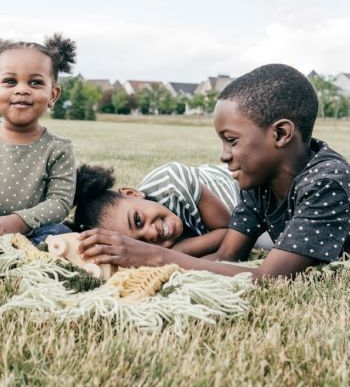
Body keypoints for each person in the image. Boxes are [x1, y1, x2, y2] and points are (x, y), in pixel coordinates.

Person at [78, 64, 350, 282]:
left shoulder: (326, 183)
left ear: (280, 134)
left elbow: (270, 277)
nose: (223, 155)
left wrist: (156, 257)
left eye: (232, 140)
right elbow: (227, 255)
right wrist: (145, 273)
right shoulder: (258, 183)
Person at [73, 161, 251, 256]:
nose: (150, 234)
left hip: (246, 185)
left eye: (138, 220)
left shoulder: (170, 182)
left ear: (132, 193)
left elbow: (230, 231)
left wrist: (169, 254)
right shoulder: (157, 236)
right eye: (140, 243)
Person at [0, 34, 76, 244]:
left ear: (53, 95)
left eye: (35, 82)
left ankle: (22, 260)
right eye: (9, 81)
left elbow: (59, 202)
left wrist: (16, 222)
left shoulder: (58, 148)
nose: (22, 89)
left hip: (33, 232)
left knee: (61, 233)